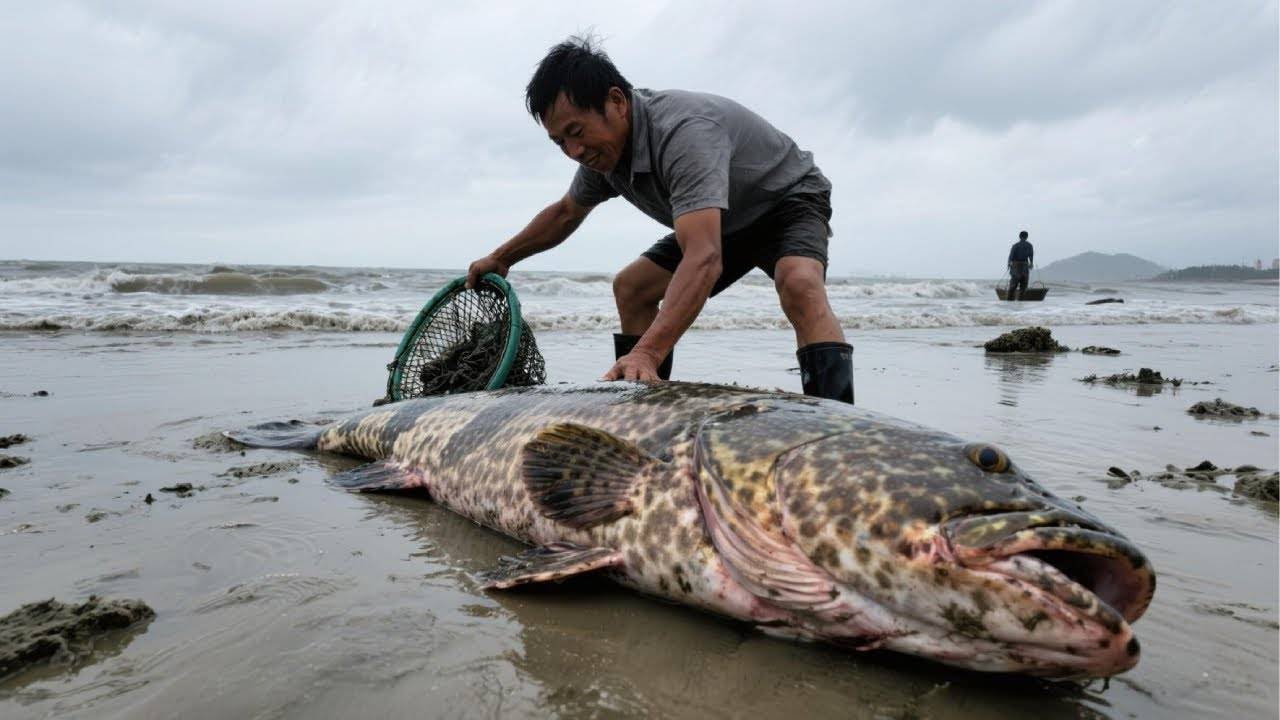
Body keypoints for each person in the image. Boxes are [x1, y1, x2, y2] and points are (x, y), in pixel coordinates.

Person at [465, 36, 853, 403]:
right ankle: (647, 407)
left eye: (576, 132)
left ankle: (842, 426)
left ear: (616, 101)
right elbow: (566, 213)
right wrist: (502, 257)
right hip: (722, 219)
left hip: (786, 199)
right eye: (559, 141)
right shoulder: (604, 157)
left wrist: (648, 351)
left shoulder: (684, 134)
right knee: (632, 287)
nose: (574, 151)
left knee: (799, 283)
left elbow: (704, 257)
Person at [1007, 230, 1034, 301]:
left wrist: (1009, 264)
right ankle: (1020, 303)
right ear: (1027, 237)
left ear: (1019, 237)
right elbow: (1031, 256)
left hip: (1016, 266)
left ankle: (1009, 303)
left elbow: (1011, 256)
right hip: (1025, 266)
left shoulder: (1015, 245)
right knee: (1023, 287)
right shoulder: (1029, 245)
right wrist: (1031, 264)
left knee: (1013, 286)